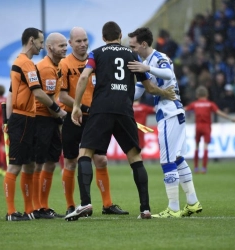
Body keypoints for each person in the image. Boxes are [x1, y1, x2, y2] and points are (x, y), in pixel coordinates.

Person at [67, 21, 175, 221]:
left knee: (85, 153)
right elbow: (149, 88)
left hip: (101, 109)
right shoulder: (131, 55)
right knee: (135, 158)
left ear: (103, 37)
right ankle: (145, 209)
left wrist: (76, 106)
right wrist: (164, 92)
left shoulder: (96, 53)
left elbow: (83, 78)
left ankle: (85, 203)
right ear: (120, 35)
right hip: (125, 110)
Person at [127, 27, 202, 218]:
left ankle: (174, 209)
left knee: (167, 161)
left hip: (169, 113)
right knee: (177, 159)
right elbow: (138, 91)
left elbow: (169, 74)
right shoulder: (145, 62)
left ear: (143, 44)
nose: (132, 49)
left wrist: (147, 69)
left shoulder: (158, 58)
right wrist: (119, 98)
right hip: (172, 113)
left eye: (134, 45)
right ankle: (192, 202)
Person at [59, 27, 129, 216]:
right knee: (71, 162)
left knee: (101, 159)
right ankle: (71, 205)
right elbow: (62, 95)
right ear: (70, 43)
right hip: (73, 118)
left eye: (84, 40)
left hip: (96, 119)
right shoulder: (65, 64)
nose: (82, 44)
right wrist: (82, 108)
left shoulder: (96, 59)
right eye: (78, 41)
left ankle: (107, 204)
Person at [4, 27, 66, 221]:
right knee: (15, 166)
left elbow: (11, 92)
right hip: (22, 118)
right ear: (32, 41)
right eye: (40, 42)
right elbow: (38, 93)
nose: (41, 45)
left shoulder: (27, 63)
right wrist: (58, 110)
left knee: (30, 165)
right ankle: (11, 212)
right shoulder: (25, 63)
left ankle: (30, 210)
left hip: (28, 118)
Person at [31, 32, 68, 219]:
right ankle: (36, 207)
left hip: (51, 119)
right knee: (39, 163)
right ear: (50, 47)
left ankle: (44, 206)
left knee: (51, 162)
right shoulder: (45, 68)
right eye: (61, 45)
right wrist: (62, 117)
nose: (65, 47)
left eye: (65, 45)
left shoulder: (58, 65)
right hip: (41, 119)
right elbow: (46, 100)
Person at [184, 86, 235, 173]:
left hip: (198, 127)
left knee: (196, 146)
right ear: (207, 95)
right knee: (205, 147)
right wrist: (230, 118)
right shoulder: (210, 104)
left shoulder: (195, 104)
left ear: (197, 95)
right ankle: (204, 168)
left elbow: (184, 109)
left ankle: (196, 168)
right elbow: (219, 112)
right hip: (207, 127)